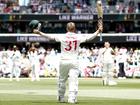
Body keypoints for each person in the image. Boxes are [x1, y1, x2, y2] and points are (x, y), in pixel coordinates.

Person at [33, 22, 102, 103]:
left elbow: (50, 37)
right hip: (74, 61)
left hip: (64, 61)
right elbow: (89, 37)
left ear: (67, 28)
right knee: (73, 80)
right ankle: (72, 99)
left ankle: (61, 97)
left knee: (62, 80)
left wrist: (39, 32)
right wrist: (98, 31)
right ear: (74, 29)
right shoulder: (78, 36)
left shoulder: (62, 36)